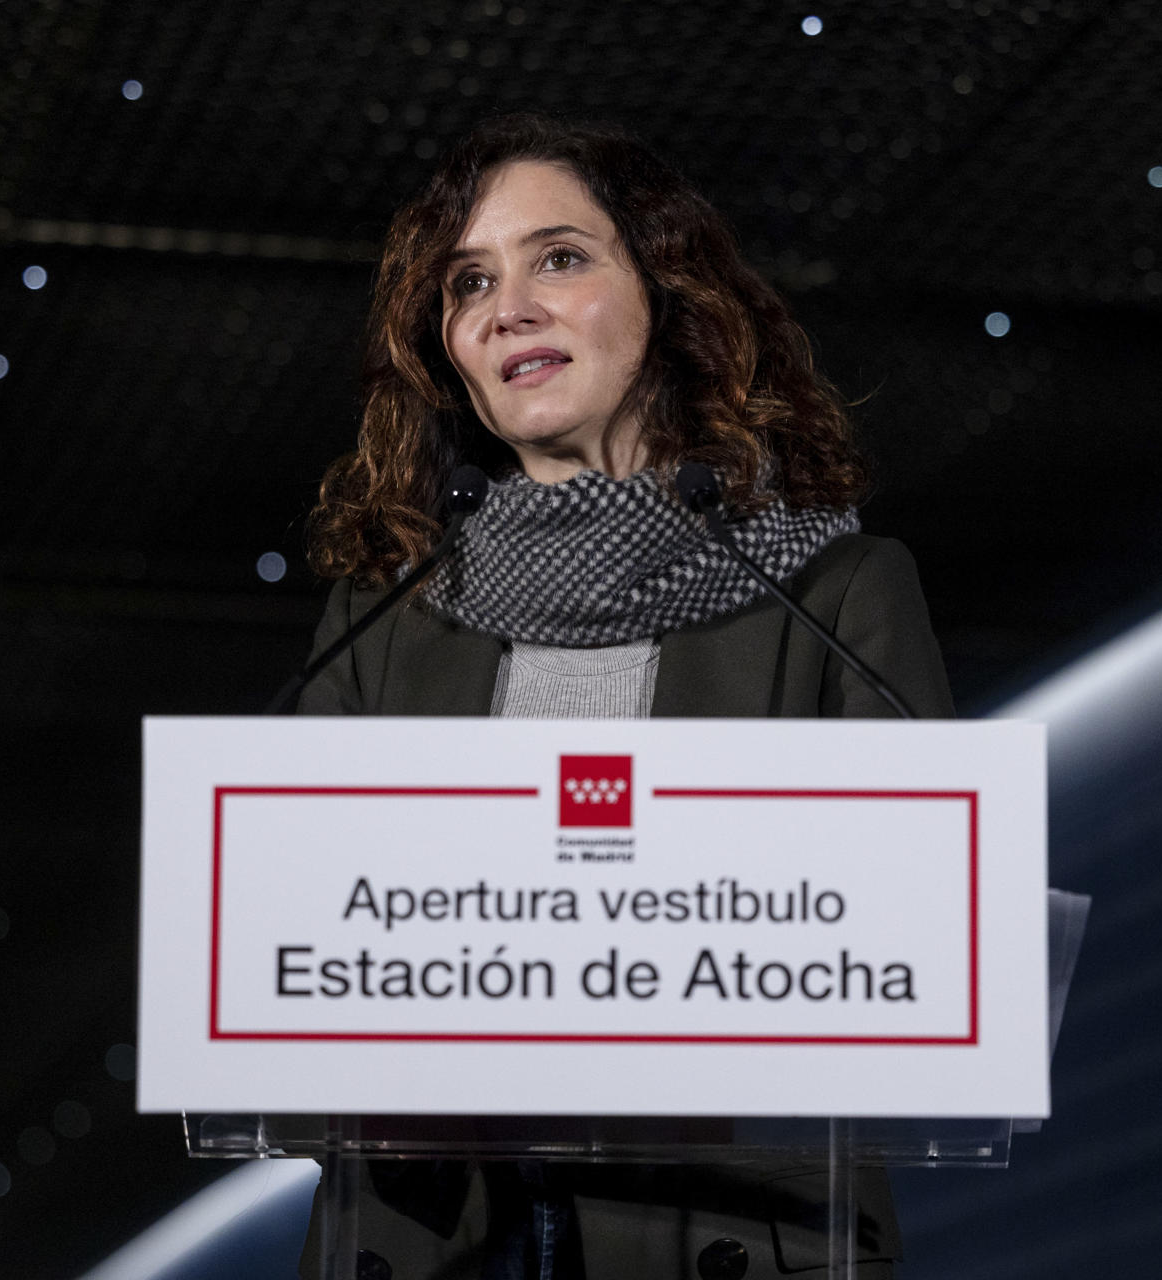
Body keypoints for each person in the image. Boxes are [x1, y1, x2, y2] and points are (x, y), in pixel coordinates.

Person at [296, 113, 950, 1278]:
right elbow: (289, 971)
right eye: (470, 282)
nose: (509, 308)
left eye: (560, 256)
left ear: (668, 289)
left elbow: (924, 955)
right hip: (448, 1236)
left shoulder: (832, 593)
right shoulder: (384, 618)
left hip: (728, 1233)